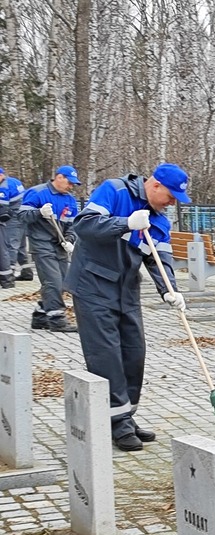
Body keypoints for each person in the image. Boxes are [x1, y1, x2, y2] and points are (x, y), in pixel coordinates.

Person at [65, 163, 191, 451]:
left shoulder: (160, 220)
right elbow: (84, 225)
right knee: (106, 356)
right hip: (93, 286)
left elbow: (159, 257)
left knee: (135, 353)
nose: (172, 203)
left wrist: (170, 290)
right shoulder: (115, 190)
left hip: (126, 290)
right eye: (171, 196)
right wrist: (126, 223)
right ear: (155, 185)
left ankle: (126, 415)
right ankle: (117, 423)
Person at [19, 166, 81, 332]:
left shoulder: (70, 200)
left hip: (59, 244)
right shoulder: (38, 193)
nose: (71, 186)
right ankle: (57, 319)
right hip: (41, 244)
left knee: (62, 282)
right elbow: (22, 216)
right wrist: (39, 212)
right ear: (59, 177)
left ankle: (40, 316)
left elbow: (72, 225)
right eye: (69, 182)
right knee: (53, 281)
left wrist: (69, 240)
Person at [0, 169, 31, 281]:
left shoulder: (3, 187)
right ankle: (27, 272)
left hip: (14, 217)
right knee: (21, 245)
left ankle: (9, 273)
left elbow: (2, 207)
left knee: (11, 245)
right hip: (23, 215)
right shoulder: (13, 181)